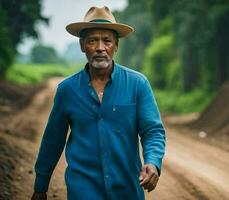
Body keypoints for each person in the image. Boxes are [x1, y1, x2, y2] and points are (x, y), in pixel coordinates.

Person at [31, 6, 166, 200]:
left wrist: (153, 162)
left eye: (107, 41)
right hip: (83, 189)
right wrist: (40, 187)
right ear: (82, 45)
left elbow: (152, 131)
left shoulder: (138, 84)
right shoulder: (67, 90)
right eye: (92, 40)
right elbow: (53, 140)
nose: (100, 47)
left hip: (127, 188)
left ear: (116, 45)